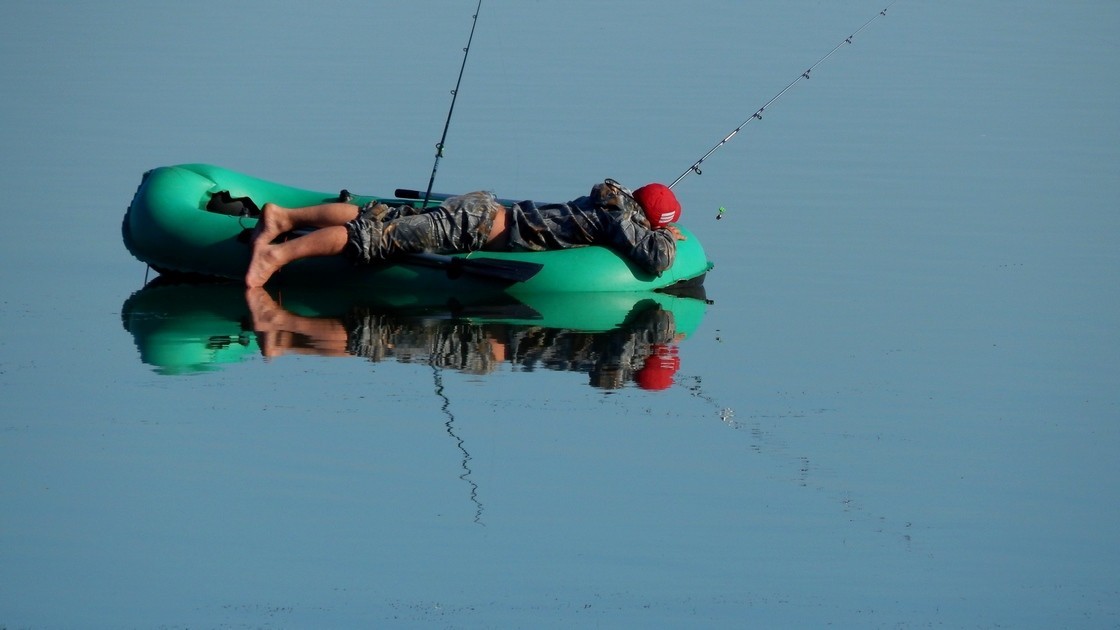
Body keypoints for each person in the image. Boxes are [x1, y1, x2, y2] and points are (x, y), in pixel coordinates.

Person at [245, 179, 686, 287]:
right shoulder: (618, 220)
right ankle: (277, 256)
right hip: (473, 226)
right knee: (374, 238)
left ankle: (284, 218)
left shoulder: (606, 203)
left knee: (381, 213)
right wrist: (667, 238)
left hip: (483, 212)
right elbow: (657, 257)